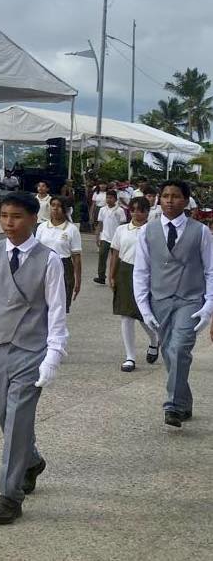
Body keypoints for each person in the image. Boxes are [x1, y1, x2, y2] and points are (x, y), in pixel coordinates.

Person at [0, 191, 68, 525]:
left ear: (33, 219)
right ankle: (32, 461)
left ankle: (10, 495)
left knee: (17, 421)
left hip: (31, 350)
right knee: (4, 416)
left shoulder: (49, 260)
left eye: (16, 217)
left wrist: (53, 356)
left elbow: (56, 312)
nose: (8, 223)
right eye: (4, 217)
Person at [133, 180, 213, 430]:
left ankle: (173, 406)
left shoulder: (201, 232)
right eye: (165, 196)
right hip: (160, 300)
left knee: (179, 349)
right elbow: (141, 271)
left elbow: (211, 270)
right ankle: (184, 401)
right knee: (169, 352)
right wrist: (144, 308)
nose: (169, 200)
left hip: (190, 300)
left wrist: (209, 304)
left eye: (176, 196)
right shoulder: (147, 231)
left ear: (186, 201)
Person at [109, 197, 158, 372]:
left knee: (143, 314)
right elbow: (115, 253)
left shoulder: (154, 230)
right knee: (126, 315)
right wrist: (112, 275)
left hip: (146, 274)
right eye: (133, 209)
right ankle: (130, 357)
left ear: (147, 212)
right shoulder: (122, 229)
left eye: (141, 210)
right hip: (125, 272)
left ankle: (154, 339)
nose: (137, 213)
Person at [35, 196, 82, 313]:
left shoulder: (72, 229)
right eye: (53, 205)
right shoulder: (42, 227)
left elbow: (76, 257)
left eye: (59, 206)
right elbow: (35, 251)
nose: (55, 209)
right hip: (43, 265)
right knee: (42, 304)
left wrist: (78, 280)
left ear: (66, 209)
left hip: (63, 266)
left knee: (60, 306)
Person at [94, 190, 126, 285]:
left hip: (116, 238)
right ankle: (101, 276)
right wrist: (97, 236)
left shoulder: (120, 210)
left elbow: (122, 224)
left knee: (116, 259)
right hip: (105, 237)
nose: (108, 199)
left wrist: (122, 237)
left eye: (111, 198)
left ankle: (115, 277)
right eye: (107, 197)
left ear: (115, 199)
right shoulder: (102, 210)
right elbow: (100, 223)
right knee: (102, 255)